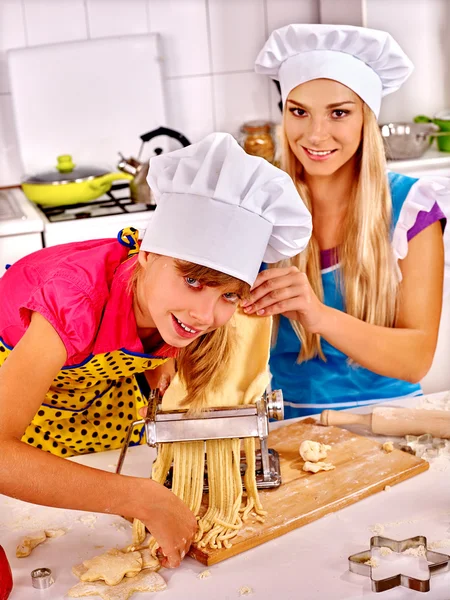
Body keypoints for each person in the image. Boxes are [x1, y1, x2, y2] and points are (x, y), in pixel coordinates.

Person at [0, 132, 312, 566]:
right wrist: (136, 498)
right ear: (146, 253)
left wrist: (152, 366)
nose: (204, 315)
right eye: (193, 281)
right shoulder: (71, 298)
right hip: (25, 439)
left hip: (103, 421)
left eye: (228, 296)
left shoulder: (173, 308)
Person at [244, 24, 450, 419]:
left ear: (365, 119)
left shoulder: (411, 209)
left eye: (338, 113)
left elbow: (416, 360)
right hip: (287, 426)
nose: (316, 135)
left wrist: (317, 315)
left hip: (391, 423)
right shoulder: (257, 209)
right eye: (299, 112)